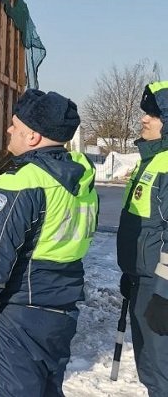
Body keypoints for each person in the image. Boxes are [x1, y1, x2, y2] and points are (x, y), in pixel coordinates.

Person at [0, 89, 98, 396]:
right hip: (59, 313)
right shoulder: (79, 184)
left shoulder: (19, 186)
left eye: (15, 125)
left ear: (33, 137)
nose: (9, 130)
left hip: (15, 318)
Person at [117, 81, 168, 396]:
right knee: (151, 373)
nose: (143, 119)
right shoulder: (151, 161)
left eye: (153, 114)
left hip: (159, 289)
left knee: (163, 375)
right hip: (143, 282)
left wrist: (163, 294)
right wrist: (130, 271)